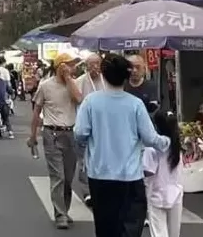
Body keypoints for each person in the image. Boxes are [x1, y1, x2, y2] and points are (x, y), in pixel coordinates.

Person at [73, 53, 170, 237]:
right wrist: (168, 141)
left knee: (105, 227)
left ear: (103, 73)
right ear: (126, 76)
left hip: (99, 175)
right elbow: (150, 138)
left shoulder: (90, 102)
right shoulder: (135, 105)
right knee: (130, 227)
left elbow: (80, 133)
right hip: (130, 177)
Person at [27, 53, 81, 229]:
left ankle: (64, 209)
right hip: (52, 134)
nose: (73, 68)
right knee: (58, 176)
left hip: (71, 134)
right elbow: (36, 111)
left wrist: (69, 79)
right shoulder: (45, 86)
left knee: (68, 177)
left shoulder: (73, 83)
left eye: (73, 65)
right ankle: (60, 214)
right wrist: (33, 135)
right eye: (69, 65)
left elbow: (78, 98)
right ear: (60, 66)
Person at [144, 110, 184, 237]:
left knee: (159, 233)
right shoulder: (177, 145)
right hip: (176, 194)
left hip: (157, 195)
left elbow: (148, 172)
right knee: (174, 234)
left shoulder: (152, 149)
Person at [73, 53, 105, 207]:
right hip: (86, 127)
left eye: (97, 64)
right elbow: (77, 100)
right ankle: (87, 192)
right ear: (86, 66)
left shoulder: (107, 81)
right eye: (91, 64)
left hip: (104, 128)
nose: (94, 68)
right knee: (84, 160)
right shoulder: (80, 82)